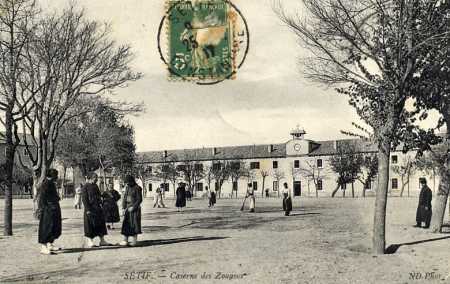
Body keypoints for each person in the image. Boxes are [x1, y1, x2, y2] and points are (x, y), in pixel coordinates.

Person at [82, 172, 111, 248]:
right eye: (95, 178)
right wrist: (88, 209)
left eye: (97, 178)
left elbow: (99, 195)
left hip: (97, 208)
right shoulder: (85, 187)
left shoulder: (95, 186)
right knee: (90, 225)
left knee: (101, 224)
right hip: (90, 209)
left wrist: (103, 197)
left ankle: (102, 241)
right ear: (90, 178)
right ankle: (90, 241)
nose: (96, 180)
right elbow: (84, 199)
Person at [37, 169, 62, 255]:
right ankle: (43, 247)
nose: (57, 177)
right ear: (52, 175)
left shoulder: (51, 183)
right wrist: (44, 208)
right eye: (56, 175)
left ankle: (50, 244)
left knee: (53, 226)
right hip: (48, 209)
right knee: (46, 227)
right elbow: (43, 198)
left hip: (53, 208)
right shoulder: (46, 184)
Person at [120, 175, 143, 246]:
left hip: (135, 210)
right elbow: (124, 198)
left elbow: (139, 199)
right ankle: (125, 240)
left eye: (128, 182)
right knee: (126, 224)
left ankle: (134, 241)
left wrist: (133, 207)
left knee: (135, 224)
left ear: (131, 181)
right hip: (127, 209)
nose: (127, 184)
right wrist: (123, 208)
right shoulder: (127, 188)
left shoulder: (138, 188)